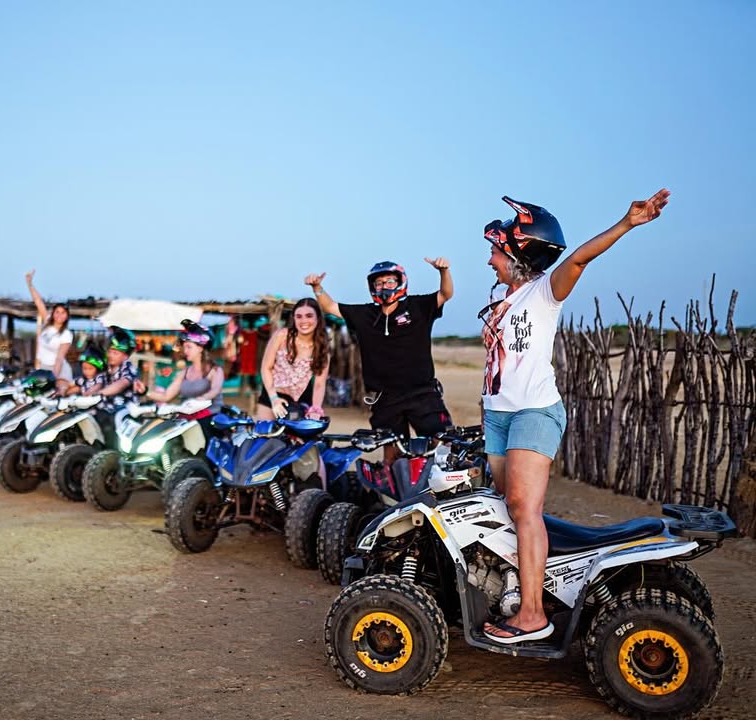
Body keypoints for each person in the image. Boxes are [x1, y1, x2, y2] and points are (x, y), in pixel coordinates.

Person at [478, 190, 670, 645]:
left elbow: (580, 260)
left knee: (525, 509)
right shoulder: (504, 302)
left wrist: (626, 223)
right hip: (497, 416)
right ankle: (531, 583)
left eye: (494, 251)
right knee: (506, 502)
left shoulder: (543, 292)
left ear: (516, 253)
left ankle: (532, 615)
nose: (488, 261)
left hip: (533, 412)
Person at [305, 258, 453, 452]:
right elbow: (331, 307)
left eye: (390, 281)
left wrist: (443, 271)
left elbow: (445, 293)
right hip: (385, 399)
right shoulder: (364, 314)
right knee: (392, 455)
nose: (384, 286)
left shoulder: (418, 307)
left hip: (423, 394)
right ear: (372, 286)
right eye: (379, 282)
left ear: (401, 282)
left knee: (441, 447)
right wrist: (317, 287)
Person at [257, 299, 329, 421]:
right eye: (299, 316)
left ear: (318, 318)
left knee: (302, 439)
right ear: (294, 319)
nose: (304, 321)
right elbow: (266, 367)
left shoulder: (321, 347)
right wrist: (274, 399)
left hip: (302, 400)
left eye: (309, 316)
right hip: (273, 395)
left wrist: (316, 408)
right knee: (265, 435)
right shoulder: (282, 336)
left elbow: (319, 383)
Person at [144, 320, 225, 423]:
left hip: (210, 419)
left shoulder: (215, 370)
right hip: (188, 420)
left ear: (200, 348)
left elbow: (215, 390)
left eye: (189, 347)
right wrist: (145, 392)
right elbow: (166, 396)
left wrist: (199, 400)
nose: (185, 351)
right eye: (184, 347)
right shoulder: (184, 372)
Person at [25, 270, 74, 386]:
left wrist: (53, 376)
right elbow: (38, 302)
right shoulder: (47, 323)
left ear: (67, 316)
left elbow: (60, 358)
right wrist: (30, 284)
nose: (59, 315)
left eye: (63, 313)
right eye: (57, 312)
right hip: (43, 366)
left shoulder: (66, 334)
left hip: (58, 369)